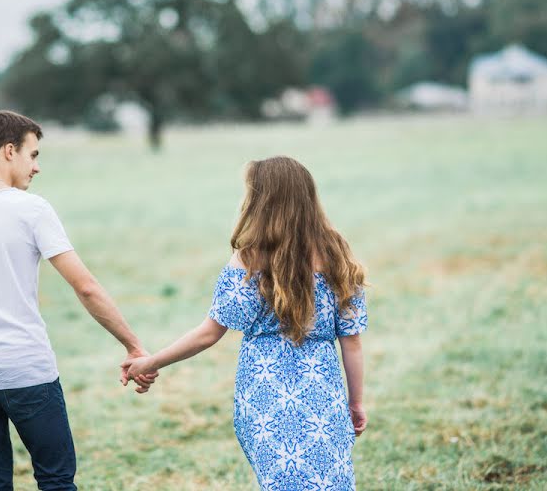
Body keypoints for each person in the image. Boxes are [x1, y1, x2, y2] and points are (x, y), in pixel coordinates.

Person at [0, 110, 156, 491]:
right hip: (27, 370)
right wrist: (133, 345)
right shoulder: (31, 210)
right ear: (9, 151)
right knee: (56, 480)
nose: (37, 168)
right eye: (33, 156)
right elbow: (86, 287)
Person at [123, 156, 368, 490]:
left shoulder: (249, 259)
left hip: (263, 397)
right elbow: (351, 341)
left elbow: (209, 333)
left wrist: (149, 362)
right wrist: (354, 403)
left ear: (260, 200)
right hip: (323, 395)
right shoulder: (337, 253)